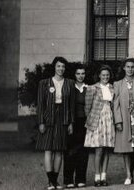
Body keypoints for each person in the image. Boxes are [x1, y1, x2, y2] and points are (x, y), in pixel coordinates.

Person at [37, 56, 75, 190]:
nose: (61, 69)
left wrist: (70, 122)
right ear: (54, 67)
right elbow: (41, 104)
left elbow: (71, 105)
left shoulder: (69, 83)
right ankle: (51, 181)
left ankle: (55, 181)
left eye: (63, 67)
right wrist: (41, 122)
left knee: (59, 150)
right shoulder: (44, 83)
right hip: (48, 119)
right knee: (48, 149)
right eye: (59, 66)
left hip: (63, 119)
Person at [84, 65, 115, 187]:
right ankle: (97, 177)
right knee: (99, 149)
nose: (105, 77)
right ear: (99, 75)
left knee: (107, 149)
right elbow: (87, 107)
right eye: (103, 75)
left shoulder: (112, 88)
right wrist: (90, 121)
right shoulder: (93, 88)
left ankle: (104, 176)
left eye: (107, 75)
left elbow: (113, 105)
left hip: (109, 119)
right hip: (97, 119)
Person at [64, 64, 89, 188]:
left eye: (83, 73)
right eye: (78, 73)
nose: (80, 76)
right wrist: (69, 122)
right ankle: (68, 179)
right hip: (72, 122)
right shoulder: (69, 87)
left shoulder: (88, 88)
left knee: (83, 151)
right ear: (74, 75)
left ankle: (81, 179)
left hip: (85, 122)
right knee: (70, 151)